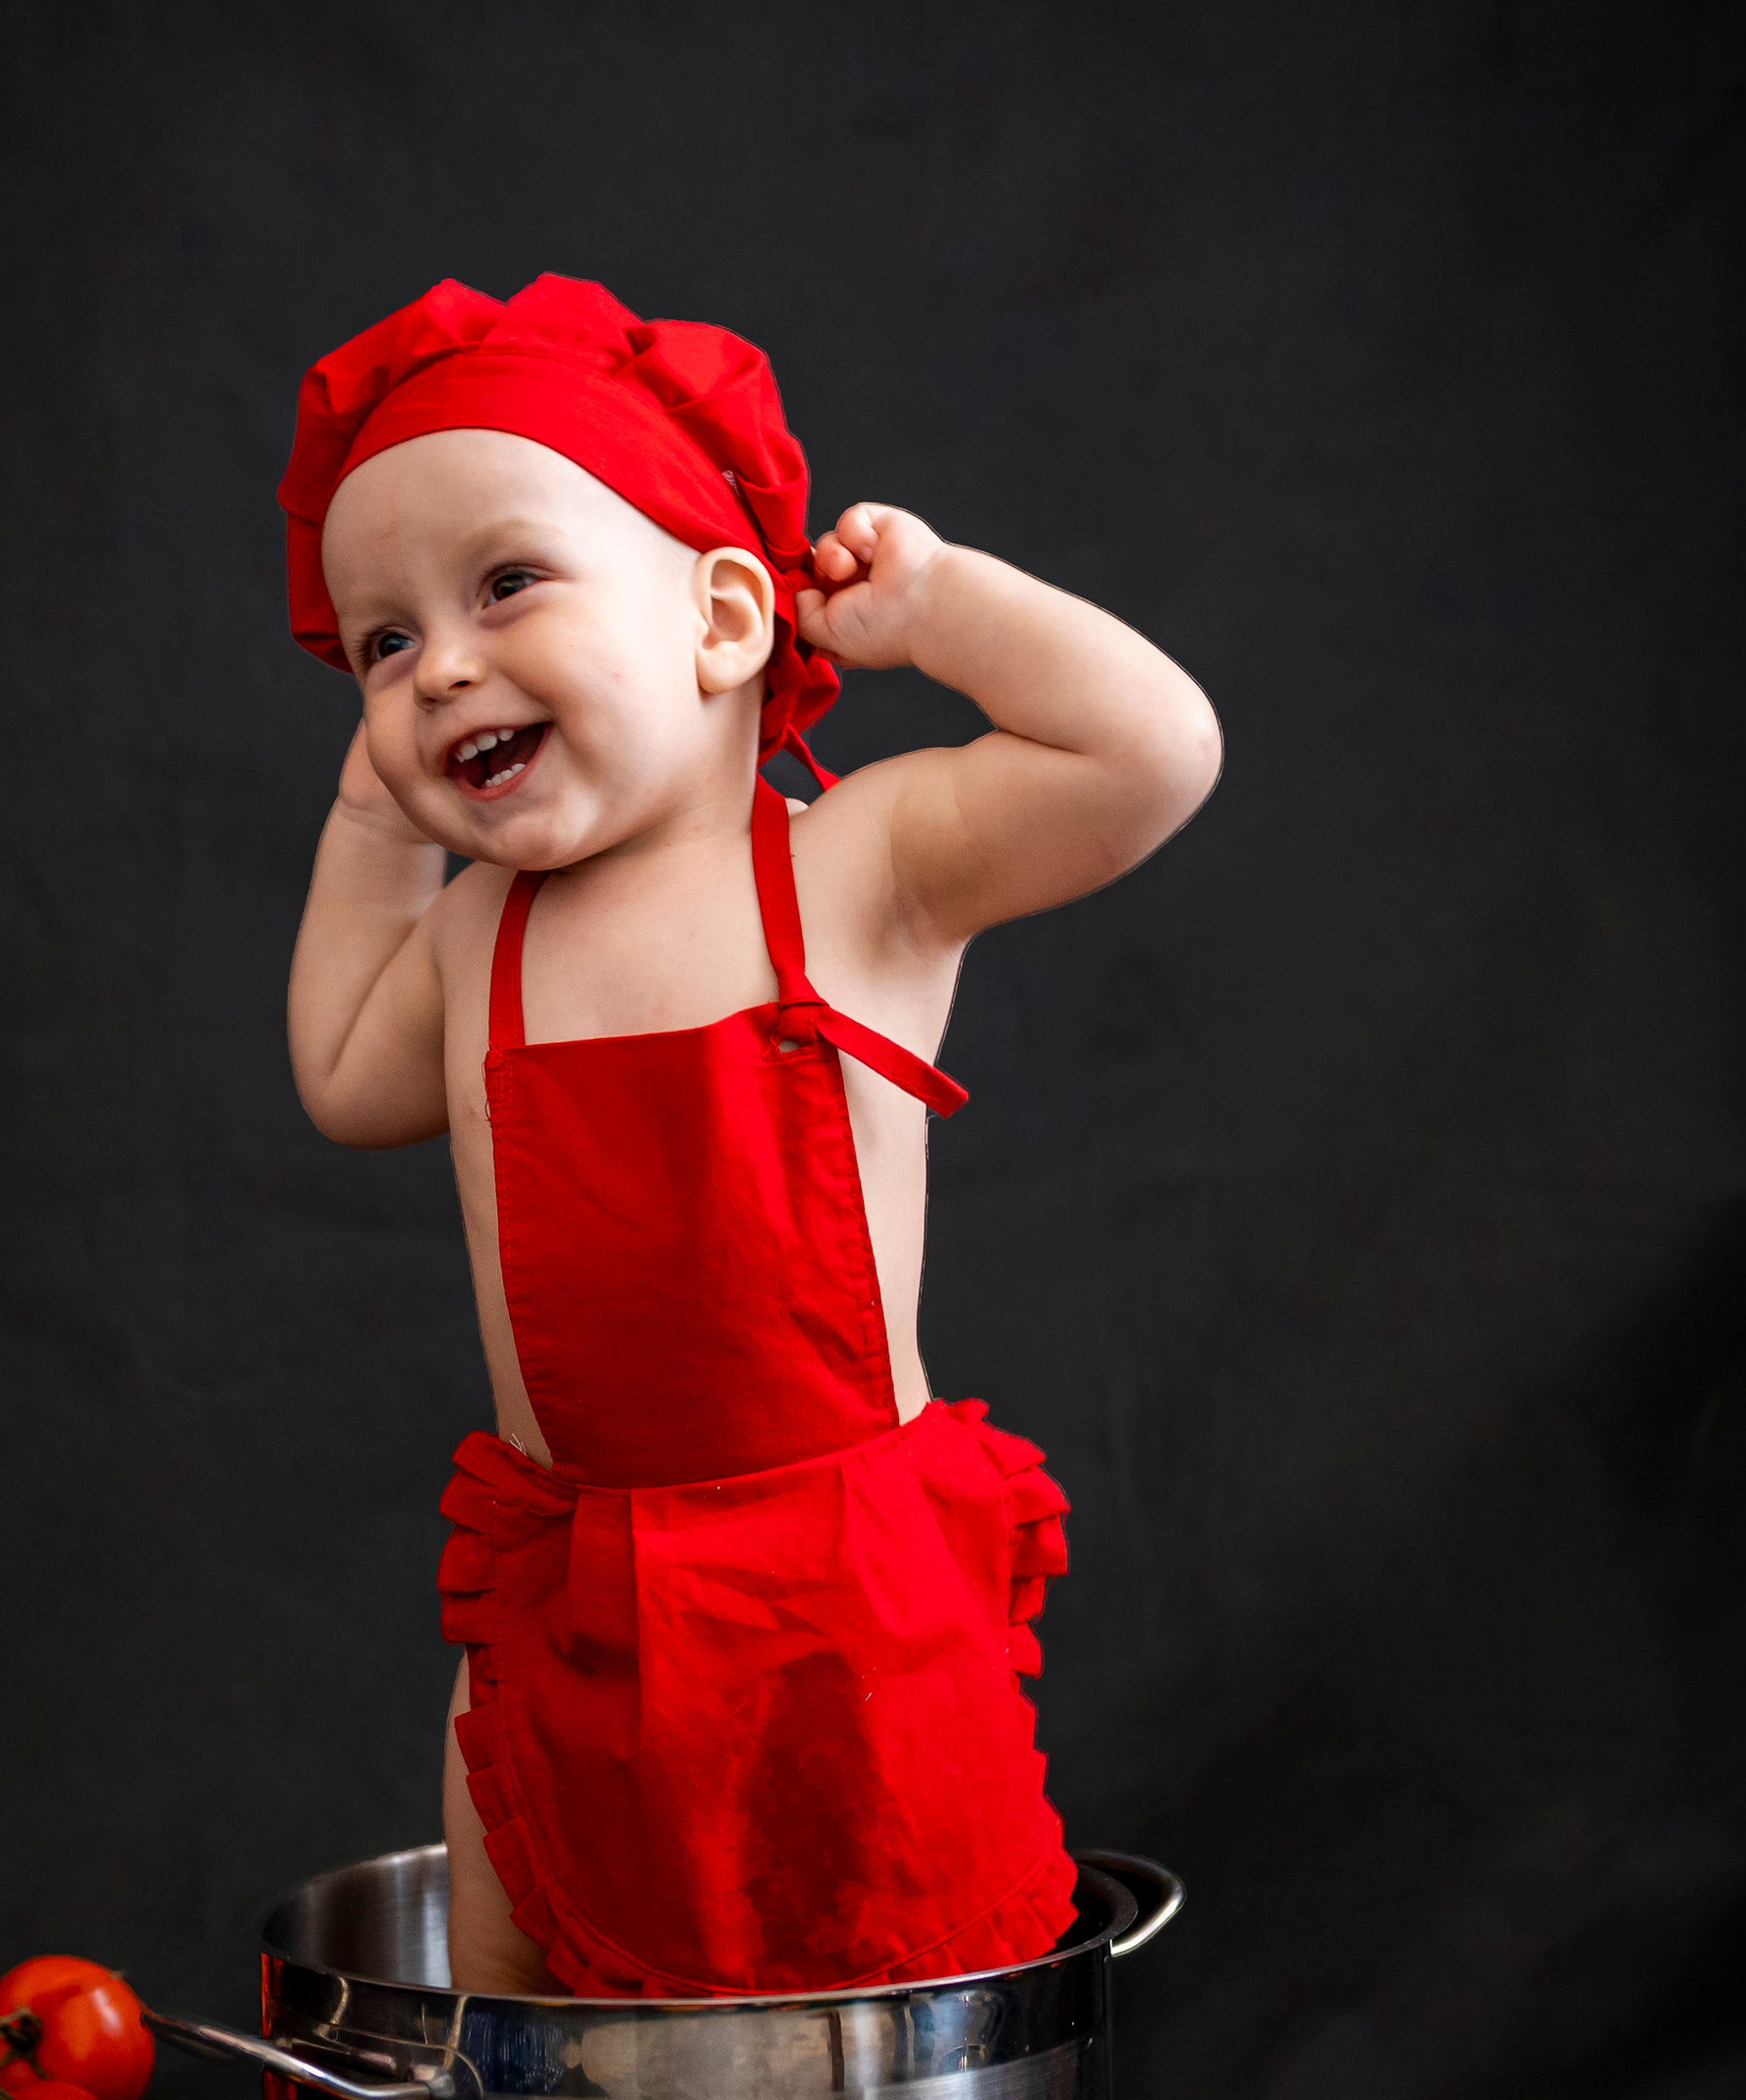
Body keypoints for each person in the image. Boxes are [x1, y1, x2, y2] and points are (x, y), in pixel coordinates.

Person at [281, 276, 1218, 1999]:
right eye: (379, 645)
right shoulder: (479, 937)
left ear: (722, 617)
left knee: (883, 1979)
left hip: (841, 1596)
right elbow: (343, 1073)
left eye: (502, 584)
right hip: (576, 1594)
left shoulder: (858, 870)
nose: (438, 669)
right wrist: (364, 811)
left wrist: (938, 607)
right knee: (530, 1989)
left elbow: (1151, 751)